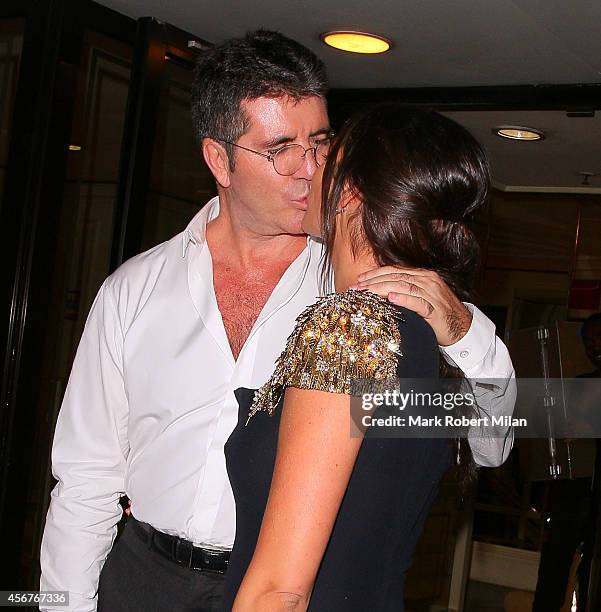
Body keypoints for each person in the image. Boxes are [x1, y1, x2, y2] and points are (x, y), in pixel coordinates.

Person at [40, 30, 515, 612]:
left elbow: (493, 445)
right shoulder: (132, 291)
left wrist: (466, 332)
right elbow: (86, 481)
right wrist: (62, 605)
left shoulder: (367, 289)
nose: (309, 169)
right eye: (279, 149)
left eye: (319, 143)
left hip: (282, 586)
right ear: (220, 159)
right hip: (145, 575)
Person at [222, 104, 491, 611]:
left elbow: (280, 590)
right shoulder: (419, 339)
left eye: (325, 156)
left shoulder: (352, 329)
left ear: (349, 191)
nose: (309, 166)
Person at [532, 312, 601, 612]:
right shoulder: (582, 382)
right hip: (574, 494)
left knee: (592, 577)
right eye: (588, 341)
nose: (594, 346)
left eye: (599, 338)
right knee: (554, 567)